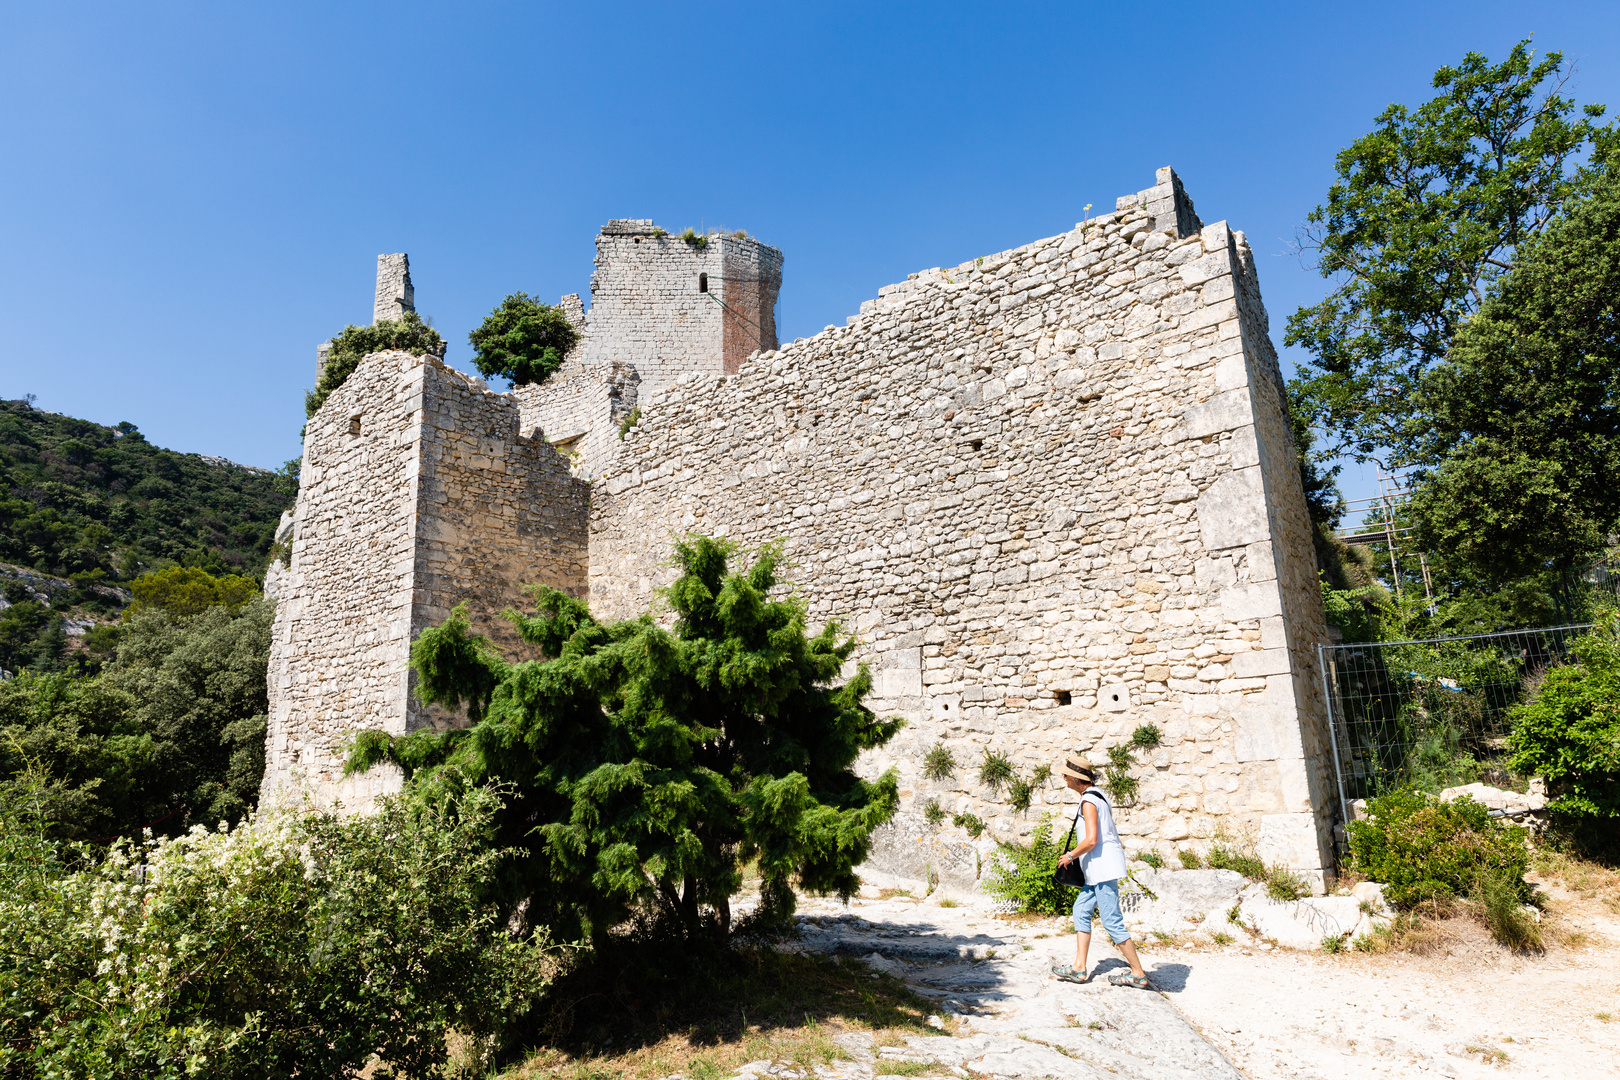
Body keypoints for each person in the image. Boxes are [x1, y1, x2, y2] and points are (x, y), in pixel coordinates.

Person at [1050, 755, 1150, 989]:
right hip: (1098, 871)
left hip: (1102, 869)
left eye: (1066, 775)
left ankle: (1138, 973)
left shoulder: (1088, 801)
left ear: (1076, 778)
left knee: (1112, 921)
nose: (1064, 778)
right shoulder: (1099, 794)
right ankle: (1079, 968)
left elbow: (1092, 839)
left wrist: (1070, 855)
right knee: (1081, 909)